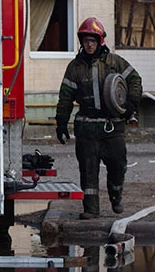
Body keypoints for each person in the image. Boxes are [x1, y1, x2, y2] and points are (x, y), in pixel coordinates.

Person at [55, 17, 143, 219]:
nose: (89, 44)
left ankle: (115, 195)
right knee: (88, 171)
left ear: (100, 40)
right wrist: (61, 124)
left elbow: (135, 79)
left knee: (118, 166)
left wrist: (130, 105)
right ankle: (91, 210)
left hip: (112, 127)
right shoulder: (74, 67)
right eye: (85, 40)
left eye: (92, 40)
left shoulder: (115, 62)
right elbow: (65, 97)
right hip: (86, 129)